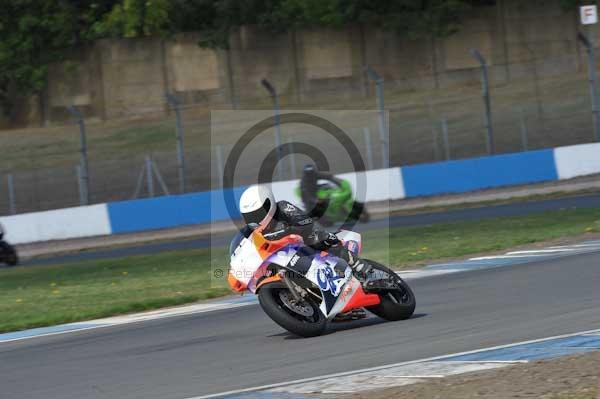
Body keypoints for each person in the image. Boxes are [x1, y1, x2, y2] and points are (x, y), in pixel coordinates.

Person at [238, 184, 371, 285]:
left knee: (320, 238)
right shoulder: (250, 228)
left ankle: (359, 266)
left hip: (303, 243)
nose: (254, 219)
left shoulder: (283, 207)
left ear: (269, 203)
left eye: (257, 214)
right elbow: (240, 247)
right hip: (283, 256)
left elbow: (306, 223)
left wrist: (289, 231)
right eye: (250, 216)